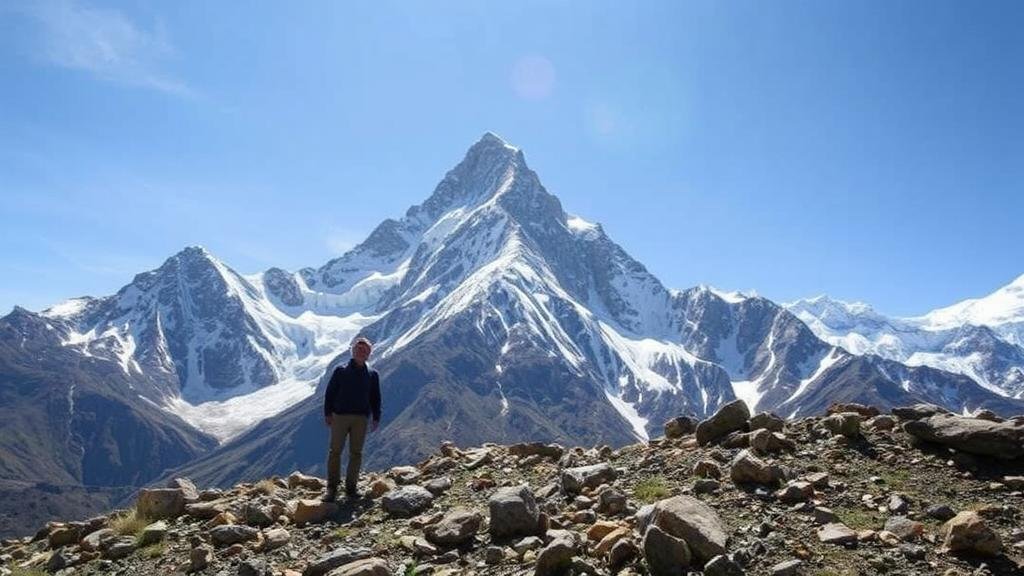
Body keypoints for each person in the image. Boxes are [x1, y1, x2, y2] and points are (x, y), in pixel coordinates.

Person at [322, 336, 381, 501]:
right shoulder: (340, 371)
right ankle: (332, 488)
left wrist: (376, 416)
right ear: (353, 351)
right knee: (335, 452)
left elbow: (375, 397)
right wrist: (328, 413)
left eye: (365, 350)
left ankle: (351, 489)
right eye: (358, 349)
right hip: (340, 416)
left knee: (356, 453)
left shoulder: (372, 374)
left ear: (369, 353)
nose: (361, 352)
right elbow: (330, 393)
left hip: (361, 419)